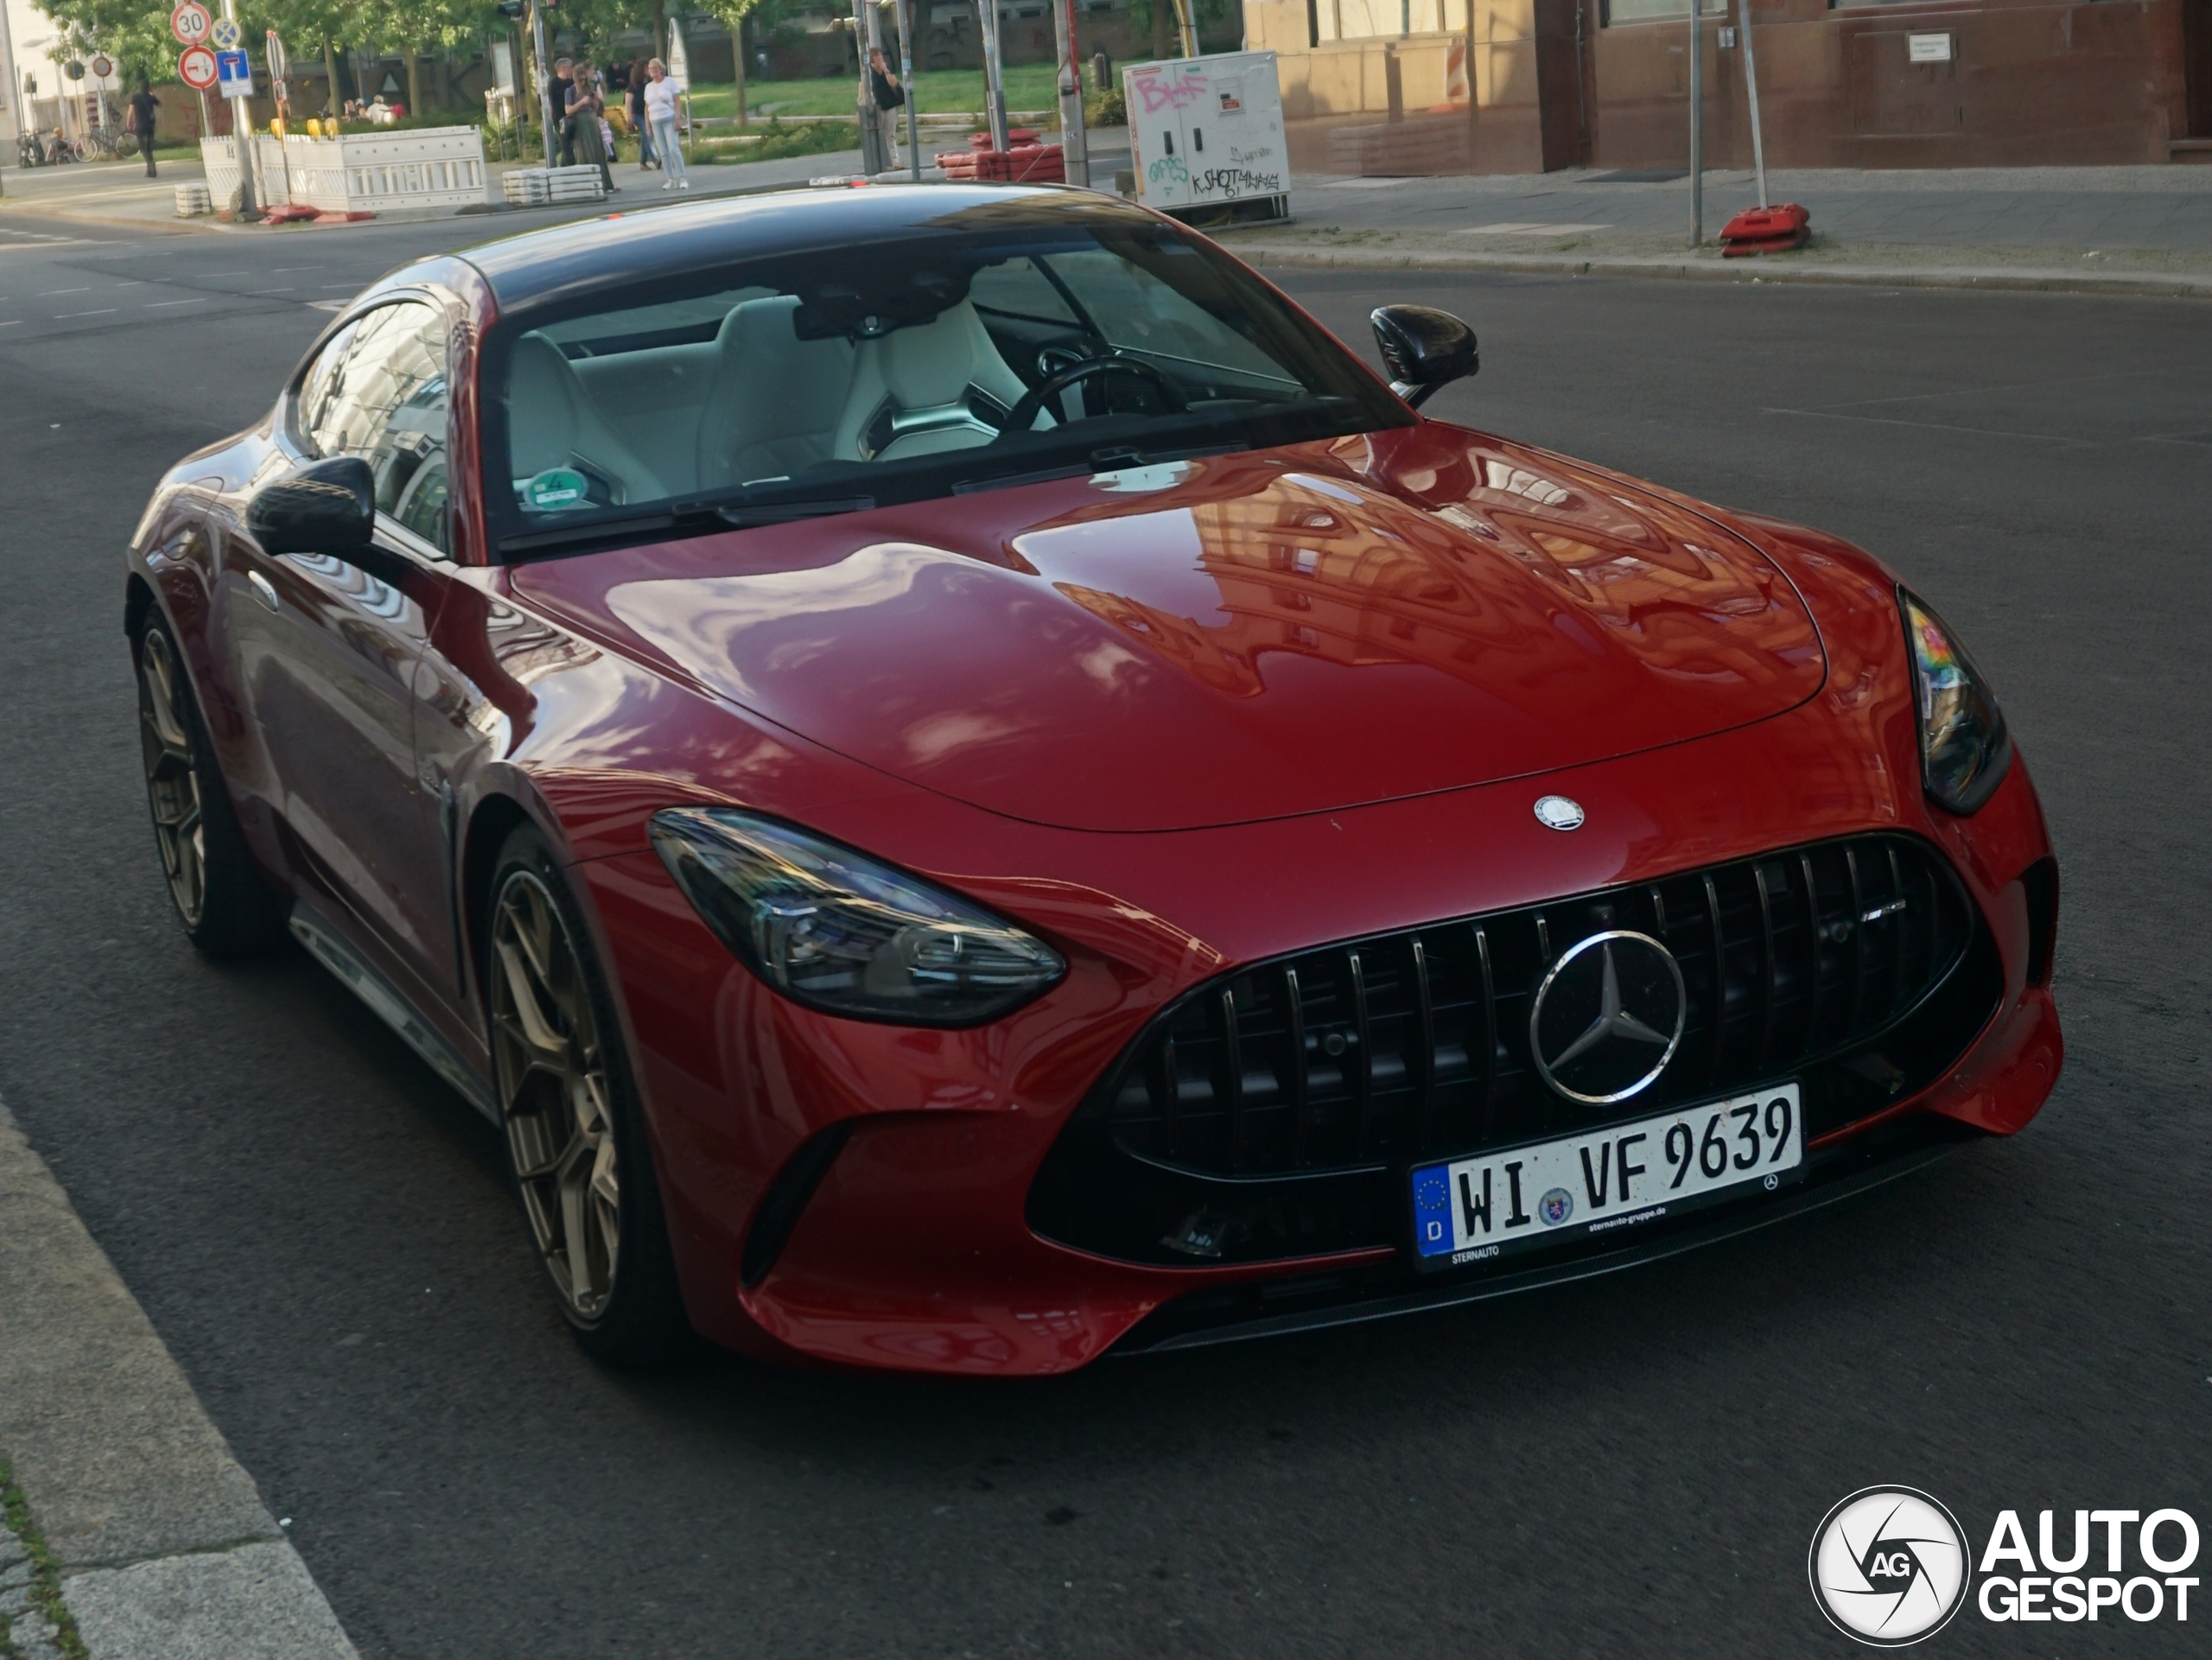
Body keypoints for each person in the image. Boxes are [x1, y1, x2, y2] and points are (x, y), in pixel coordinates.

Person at [568, 63, 614, 194]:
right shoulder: (570, 90)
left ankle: (604, 183)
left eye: (584, 80)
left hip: (591, 119)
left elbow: (595, 108)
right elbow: (568, 110)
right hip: (580, 120)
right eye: (580, 80)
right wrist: (581, 102)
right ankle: (586, 183)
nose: (583, 83)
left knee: (598, 151)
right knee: (584, 152)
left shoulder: (590, 88)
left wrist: (595, 101)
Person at [644, 58, 686, 191]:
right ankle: (670, 179)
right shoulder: (648, 87)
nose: (652, 71)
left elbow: (677, 101)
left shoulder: (670, 82)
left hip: (669, 118)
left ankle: (682, 177)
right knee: (663, 152)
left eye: (654, 68)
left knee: (673, 148)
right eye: (650, 69)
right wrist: (648, 126)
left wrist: (677, 119)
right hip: (655, 121)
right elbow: (647, 107)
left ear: (660, 69)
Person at [868, 48, 904, 169]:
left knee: (890, 135)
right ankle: (880, 162)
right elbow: (862, 87)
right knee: (877, 135)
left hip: (890, 106)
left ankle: (895, 161)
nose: (879, 58)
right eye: (876, 56)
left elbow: (894, 83)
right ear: (872, 59)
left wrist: (886, 70)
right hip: (877, 108)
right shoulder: (869, 73)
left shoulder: (886, 70)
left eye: (880, 55)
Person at [626, 58, 656, 170]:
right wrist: (630, 119)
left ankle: (642, 162)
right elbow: (628, 103)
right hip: (637, 114)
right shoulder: (633, 86)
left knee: (645, 137)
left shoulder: (650, 84)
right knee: (648, 134)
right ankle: (656, 158)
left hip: (648, 114)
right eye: (646, 68)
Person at [125, 79, 159, 176]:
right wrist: (152, 95)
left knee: (143, 148)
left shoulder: (135, 97)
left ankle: (150, 164)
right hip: (150, 126)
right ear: (148, 87)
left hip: (140, 126)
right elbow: (160, 105)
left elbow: (130, 111)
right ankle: (150, 169)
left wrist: (128, 122)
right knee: (149, 147)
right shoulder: (151, 97)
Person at [553, 57, 576, 166]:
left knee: (569, 144)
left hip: (572, 116)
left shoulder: (572, 82)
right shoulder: (554, 84)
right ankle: (571, 166)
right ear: (564, 69)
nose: (572, 70)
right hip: (560, 118)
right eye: (570, 68)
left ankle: (563, 167)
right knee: (566, 144)